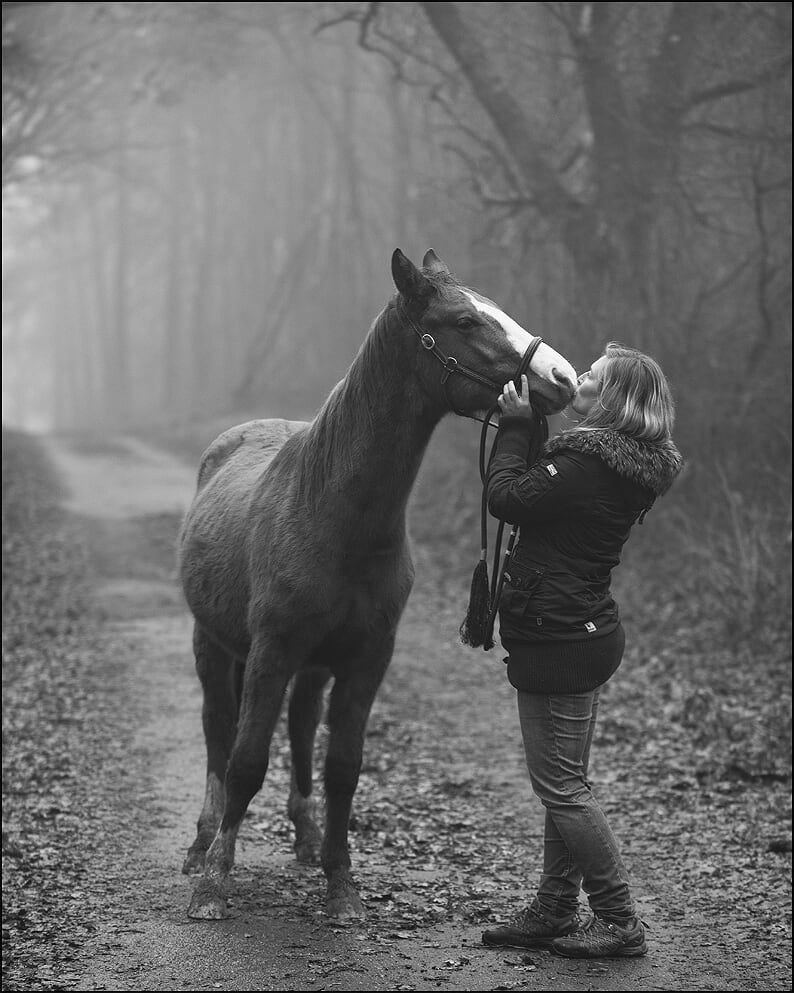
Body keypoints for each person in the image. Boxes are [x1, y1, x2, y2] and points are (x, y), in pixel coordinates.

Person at [480, 342, 683, 959]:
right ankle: (554, 907)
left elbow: (507, 498)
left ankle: (619, 920)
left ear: (613, 398)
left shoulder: (585, 467)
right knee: (566, 783)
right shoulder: (613, 464)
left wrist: (515, 430)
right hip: (580, 631)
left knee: (563, 789)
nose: (580, 377)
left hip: (560, 637)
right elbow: (541, 494)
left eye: (591, 376)